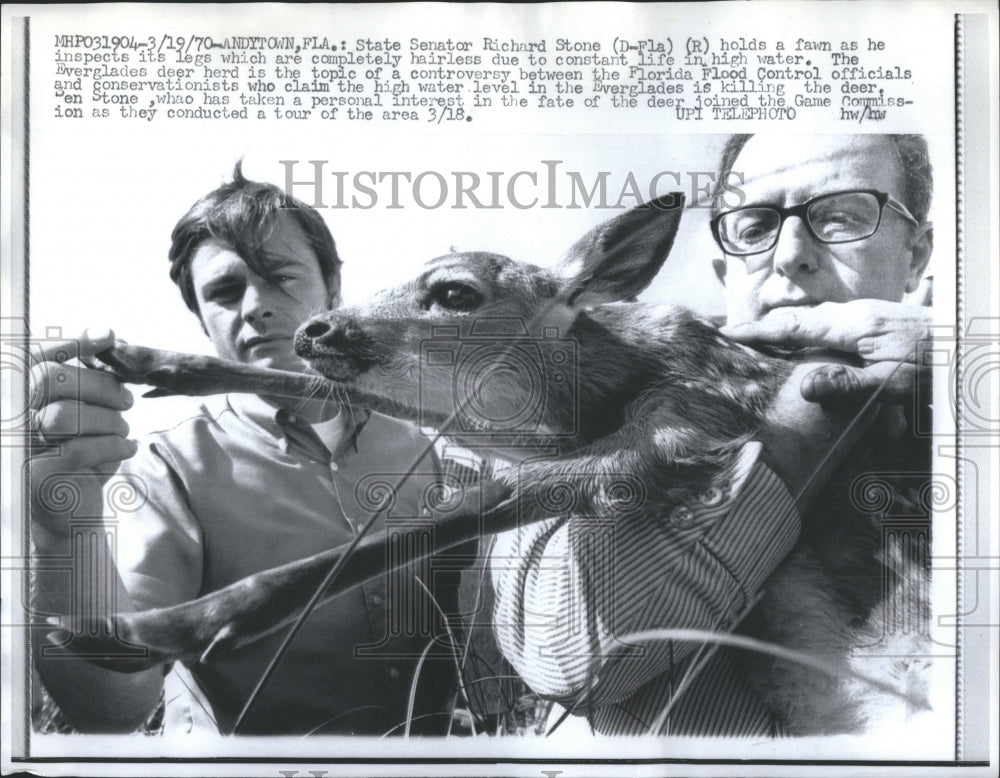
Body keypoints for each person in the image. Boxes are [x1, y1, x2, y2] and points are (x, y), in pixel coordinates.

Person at [490, 134, 934, 735]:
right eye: (754, 228)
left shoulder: (963, 393)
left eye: (841, 217)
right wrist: (803, 419)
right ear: (725, 270)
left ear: (917, 255)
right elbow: (574, 657)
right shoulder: (573, 416)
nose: (790, 254)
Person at [29, 164, 461, 735]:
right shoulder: (169, 471)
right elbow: (112, 706)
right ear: (202, 321)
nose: (254, 304)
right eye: (223, 291)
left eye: (281, 277)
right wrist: (66, 532)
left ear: (332, 288)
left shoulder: (420, 447)